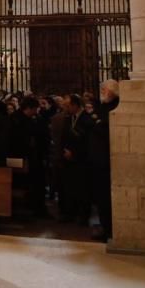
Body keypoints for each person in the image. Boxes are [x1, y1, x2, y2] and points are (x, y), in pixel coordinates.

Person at [87, 79, 120, 241]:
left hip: (108, 159)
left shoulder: (116, 107)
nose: (102, 93)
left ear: (111, 91)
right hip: (97, 160)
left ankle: (111, 229)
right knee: (101, 197)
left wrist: (97, 122)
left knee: (108, 197)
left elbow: (101, 126)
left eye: (104, 90)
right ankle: (105, 226)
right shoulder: (102, 107)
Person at [59, 94, 93, 224]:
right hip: (69, 160)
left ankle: (83, 215)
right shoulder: (68, 118)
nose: (66, 108)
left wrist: (74, 153)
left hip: (81, 160)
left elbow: (87, 141)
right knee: (70, 187)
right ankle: (70, 213)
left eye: (68, 106)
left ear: (75, 105)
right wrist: (65, 151)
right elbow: (64, 136)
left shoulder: (87, 119)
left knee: (83, 189)